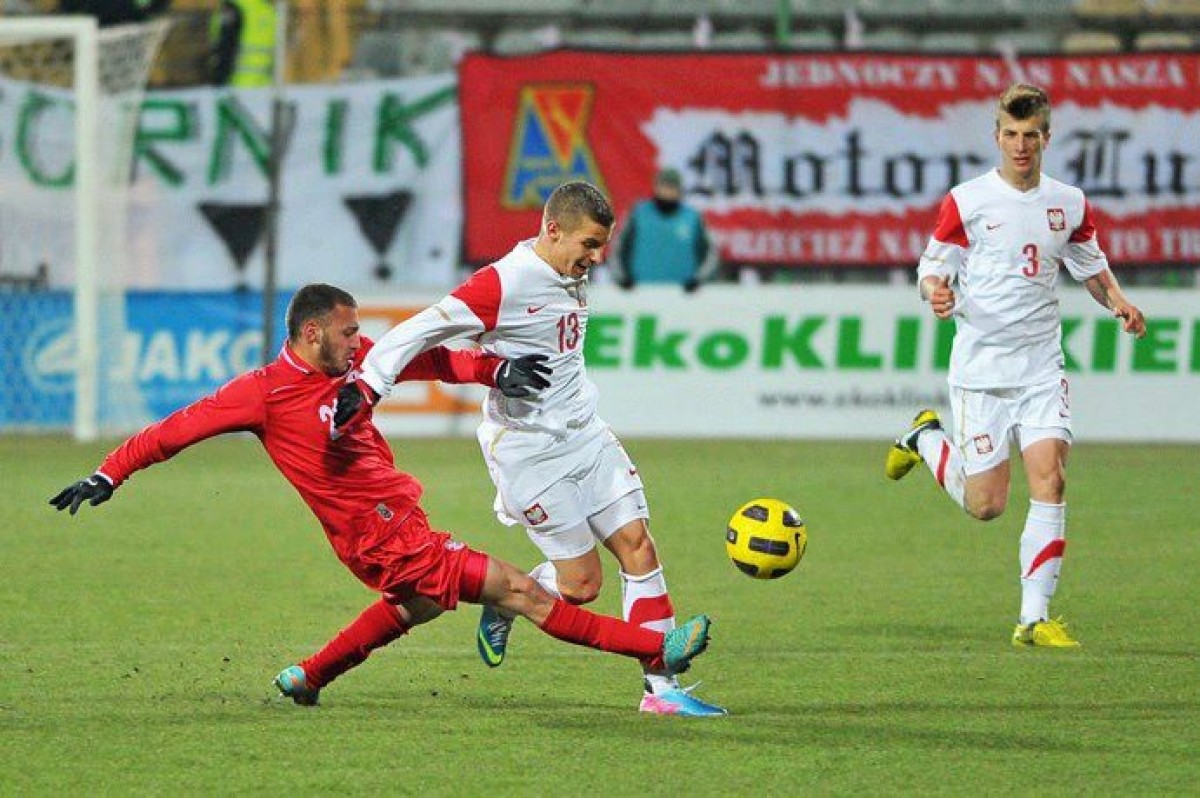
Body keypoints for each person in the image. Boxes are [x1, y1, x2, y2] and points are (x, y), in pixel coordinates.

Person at [48, 283, 713, 706]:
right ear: (311, 334)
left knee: (414, 606)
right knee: (524, 592)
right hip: (381, 537)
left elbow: (427, 358)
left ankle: (309, 676)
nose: (358, 341)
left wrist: (493, 369)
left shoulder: (354, 363)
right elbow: (174, 430)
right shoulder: (262, 393)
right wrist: (110, 473)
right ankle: (656, 652)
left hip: (396, 523)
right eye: (347, 332)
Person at [335, 182, 727, 717]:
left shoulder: (569, 271)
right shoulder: (505, 281)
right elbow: (425, 328)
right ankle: (508, 601)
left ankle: (661, 692)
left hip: (586, 434)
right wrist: (370, 385)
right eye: (589, 245)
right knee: (581, 586)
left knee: (640, 547)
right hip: (530, 454)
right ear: (553, 230)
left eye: (602, 246)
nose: (596, 258)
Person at [885, 84, 1146, 648]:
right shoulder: (968, 201)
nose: (1020, 145)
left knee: (1051, 478)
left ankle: (1033, 618)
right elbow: (931, 268)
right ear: (997, 137)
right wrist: (935, 292)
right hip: (981, 373)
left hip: (1041, 368)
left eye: (1030, 135)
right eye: (1011, 135)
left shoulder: (1068, 203)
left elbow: (1091, 267)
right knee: (987, 505)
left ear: (1047, 137)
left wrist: (1119, 302)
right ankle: (926, 438)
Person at [609, 168, 719, 293]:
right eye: (665, 186)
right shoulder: (638, 214)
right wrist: (622, 278)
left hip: (683, 295)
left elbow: (710, 253)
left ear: (680, 190)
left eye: (673, 187)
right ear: (656, 187)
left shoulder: (693, 217)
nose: (668, 192)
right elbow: (618, 249)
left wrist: (698, 280)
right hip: (641, 292)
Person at [209, 0, 276, 87]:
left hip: (234, 86)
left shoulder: (233, 6)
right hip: (262, 87)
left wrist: (218, 84)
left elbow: (225, 48)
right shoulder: (268, 10)